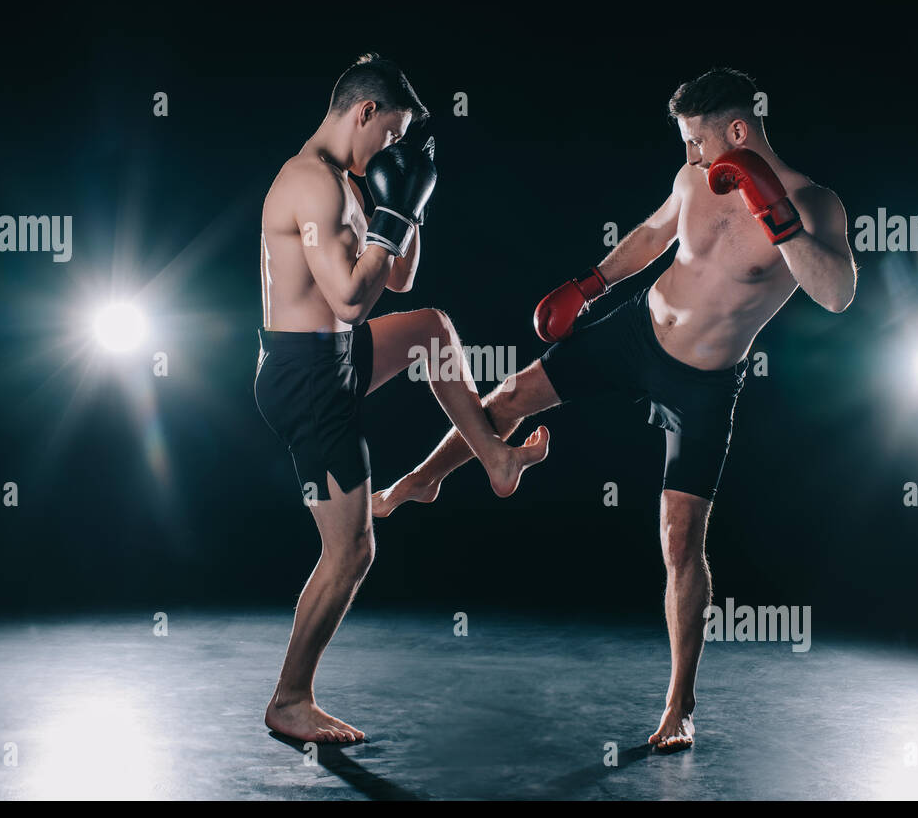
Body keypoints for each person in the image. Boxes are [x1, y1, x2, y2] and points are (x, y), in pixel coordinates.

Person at [373, 67, 856, 751]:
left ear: (738, 132)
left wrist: (774, 214)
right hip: (637, 332)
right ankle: (425, 478)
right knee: (508, 394)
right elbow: (654, 234)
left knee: (680, 541)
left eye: (697, 140)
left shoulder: (813, 203)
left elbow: (837, 291)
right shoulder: (694, 179)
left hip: (706, 385)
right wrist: (591, 284)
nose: (691, 154)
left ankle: (679, 706)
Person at [254, 53, 549, 744]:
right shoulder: (308, 183)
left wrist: (411, 202)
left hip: (333, 356)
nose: (391, 149)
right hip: (306, 380)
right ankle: (289, 699)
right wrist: (388, 212)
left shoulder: (351, 182)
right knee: (353, 552)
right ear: (363, 113)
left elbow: (402, 281)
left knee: (431, 329)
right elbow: (353, 297)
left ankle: (493, 460)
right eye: (389, 135)